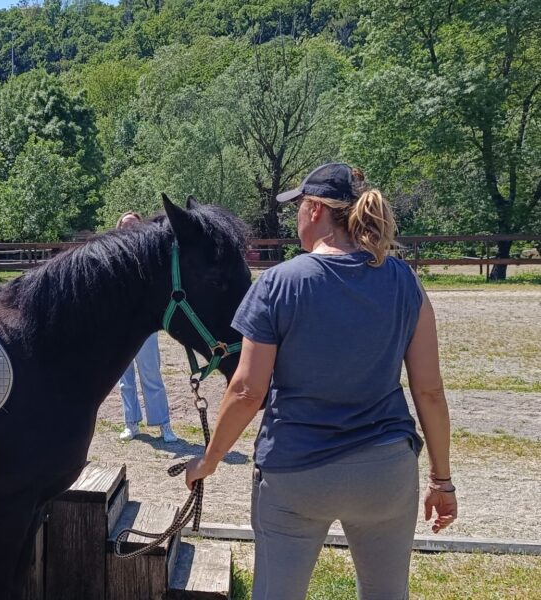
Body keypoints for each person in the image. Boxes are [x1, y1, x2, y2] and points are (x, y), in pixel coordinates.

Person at [184, 163, 457, 599]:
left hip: (295, 474)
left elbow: (247, 390)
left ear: (313, 210)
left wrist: (210, 460)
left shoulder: (279, 283)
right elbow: (429, 391)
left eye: (298, 208)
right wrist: (441, 481)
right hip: (385, 472)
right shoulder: (405, 281)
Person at [115, 211, 177, 443]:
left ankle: (163, 424)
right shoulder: (113, 255)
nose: (129, 228)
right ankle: (130, 422)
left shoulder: (150, 256)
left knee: (151, 375)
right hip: (120, 325)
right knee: (124, 378)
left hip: (143, 326)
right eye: (125, 225)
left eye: (134, 224)